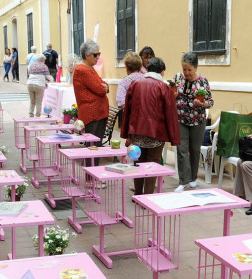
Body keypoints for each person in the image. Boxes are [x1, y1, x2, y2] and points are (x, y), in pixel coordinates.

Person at [120, 57, 180, 195]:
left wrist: (126, 131)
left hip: (136, 131)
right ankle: (147, 197)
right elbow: (170, 113)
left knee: (138, 161)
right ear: (162, 71)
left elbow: (127, 109)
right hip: (156, 133)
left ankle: (138, 194)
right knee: (152, 164)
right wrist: (174, 137)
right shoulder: (163, 87)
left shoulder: (135, 84)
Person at [173, 52, 213, 192]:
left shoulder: (203, 81)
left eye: (189, 70)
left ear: (195, 68)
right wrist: (173, 95)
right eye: (184, 69)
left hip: (198, 121)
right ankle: (183, 181)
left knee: (194, 150)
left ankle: (193, 178)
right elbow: (171, 94)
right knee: (182, 150)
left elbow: (210, 102)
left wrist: (202, 104)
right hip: (181, 119)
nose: (186, 73)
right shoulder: (177, 78)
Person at [73, 40, 109, 166]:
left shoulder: (90, 69)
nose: (98, 57)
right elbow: (100, 89)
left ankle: (92, 176)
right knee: (93, 147)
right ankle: (90, 179)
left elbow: (105, 85)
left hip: (97, 114)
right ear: (86, 54)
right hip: (92, 114)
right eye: (95, 54)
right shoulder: (83, 70)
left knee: (95, 146)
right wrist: (103, 87)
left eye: (99, 54)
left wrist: (104, 87)